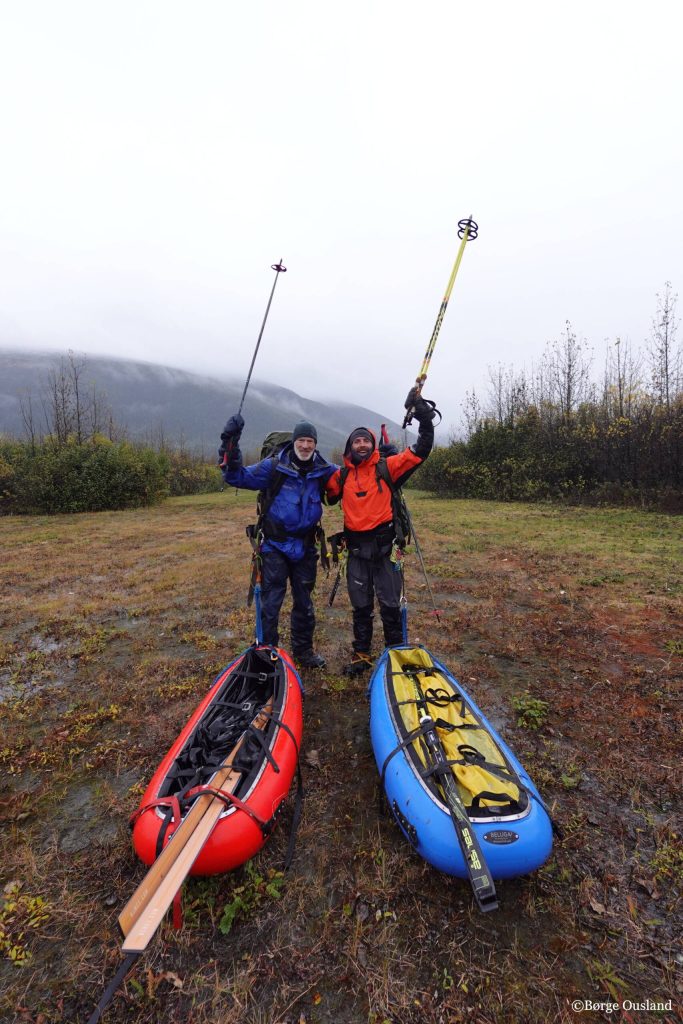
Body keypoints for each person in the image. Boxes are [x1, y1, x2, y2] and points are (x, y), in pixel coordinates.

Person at [325, 387, 435, 675]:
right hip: (356, 550)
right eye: (356, 441)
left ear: (372, 445)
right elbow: (323, 491)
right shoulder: (341, 475)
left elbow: (422, 449)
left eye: (366, 440)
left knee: (389, 603)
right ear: (349, 447)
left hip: (388, 548)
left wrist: (423, 413)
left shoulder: (388, 467)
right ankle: (362, 655)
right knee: (361, 606)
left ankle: (395, 653)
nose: (361, 444)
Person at [219, 416, 337, 668]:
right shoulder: (272, 467)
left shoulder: (324, 469)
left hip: (305, 547)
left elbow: (356, 476)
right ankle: (267, 653)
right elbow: (236, 476)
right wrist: (230, 442)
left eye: (310, 441)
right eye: (301, 440)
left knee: (304, 602)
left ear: (315, 444)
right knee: (271, 601)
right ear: (294, 441)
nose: (305, 446)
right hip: (274, 546)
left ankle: (304, 652)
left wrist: (383, 459)